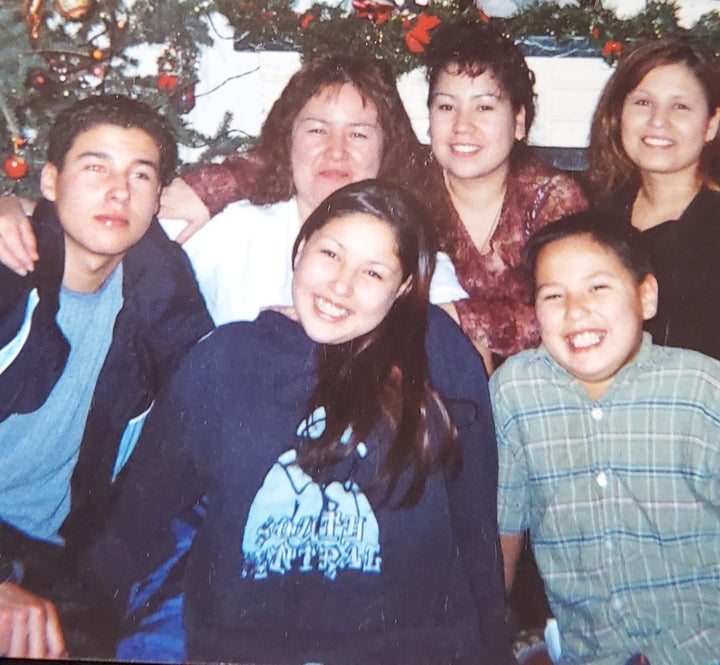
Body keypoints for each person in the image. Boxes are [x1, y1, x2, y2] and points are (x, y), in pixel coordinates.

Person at [41, 180, 514, 664]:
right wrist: (69, 621)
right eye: (330, 253)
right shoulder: (224, 361)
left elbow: (475, 526)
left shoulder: (439, 353)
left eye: (373, 273)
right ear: (301, 249)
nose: (340, 285)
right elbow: (139, 516)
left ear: (405, 288)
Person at [0, 53, 468, 324]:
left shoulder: (410, 247)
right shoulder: (234, 229)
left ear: (386, 151)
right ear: (288, 142)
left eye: (360, 133)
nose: (337, 150)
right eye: (316, 130)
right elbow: (103, 215)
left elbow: (464, 369)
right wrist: (11, 206)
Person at [0, 94, 213, 658]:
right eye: (96, 167)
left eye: (139, 175)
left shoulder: (162, 293)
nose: (119, 191)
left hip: (68, 566)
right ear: (49, 182)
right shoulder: (7, 276)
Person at [492, 210, 720, 665]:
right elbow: (506, 524)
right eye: (553, 295)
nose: (576, 311)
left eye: (598, 287)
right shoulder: (517, 390)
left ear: (646, 297)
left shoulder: (702, 389)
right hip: (589, 652)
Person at [423, 19, 588, 371]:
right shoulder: (408, 198)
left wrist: (453, 316)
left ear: (518, 123)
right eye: (446, 107)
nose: (461, 126)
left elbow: (571, 310)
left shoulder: (552, 199)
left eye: (484, 107)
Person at [588, 36, 720, 359]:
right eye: (643, 103)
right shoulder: (596, 214)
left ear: (711, 125)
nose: (658, 121)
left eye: (680, 106)